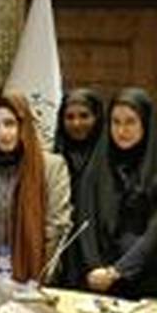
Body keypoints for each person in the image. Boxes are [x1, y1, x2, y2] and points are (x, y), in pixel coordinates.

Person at [78, 88, 157, 298]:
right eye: (115, 122)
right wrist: (94, 266)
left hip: (148, 284)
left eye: (130, 122)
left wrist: (118, 271)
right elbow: (86, 219)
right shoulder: (99, 167)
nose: (122, 130)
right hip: (102, 282)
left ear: (145, 124)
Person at [0, 94, 71, 283]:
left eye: (9, 123)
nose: (2, 132)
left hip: (36, 274)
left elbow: (56, 225)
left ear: (23, 125)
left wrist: (41, 270)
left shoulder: (51, 166)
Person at [52, 87, 105, 287]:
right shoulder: (56, 156)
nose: (76, 123)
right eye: (70, 117)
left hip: (100, 253)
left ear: (97, 118)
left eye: (84, 116)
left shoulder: (110, 158)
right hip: (64, 251)